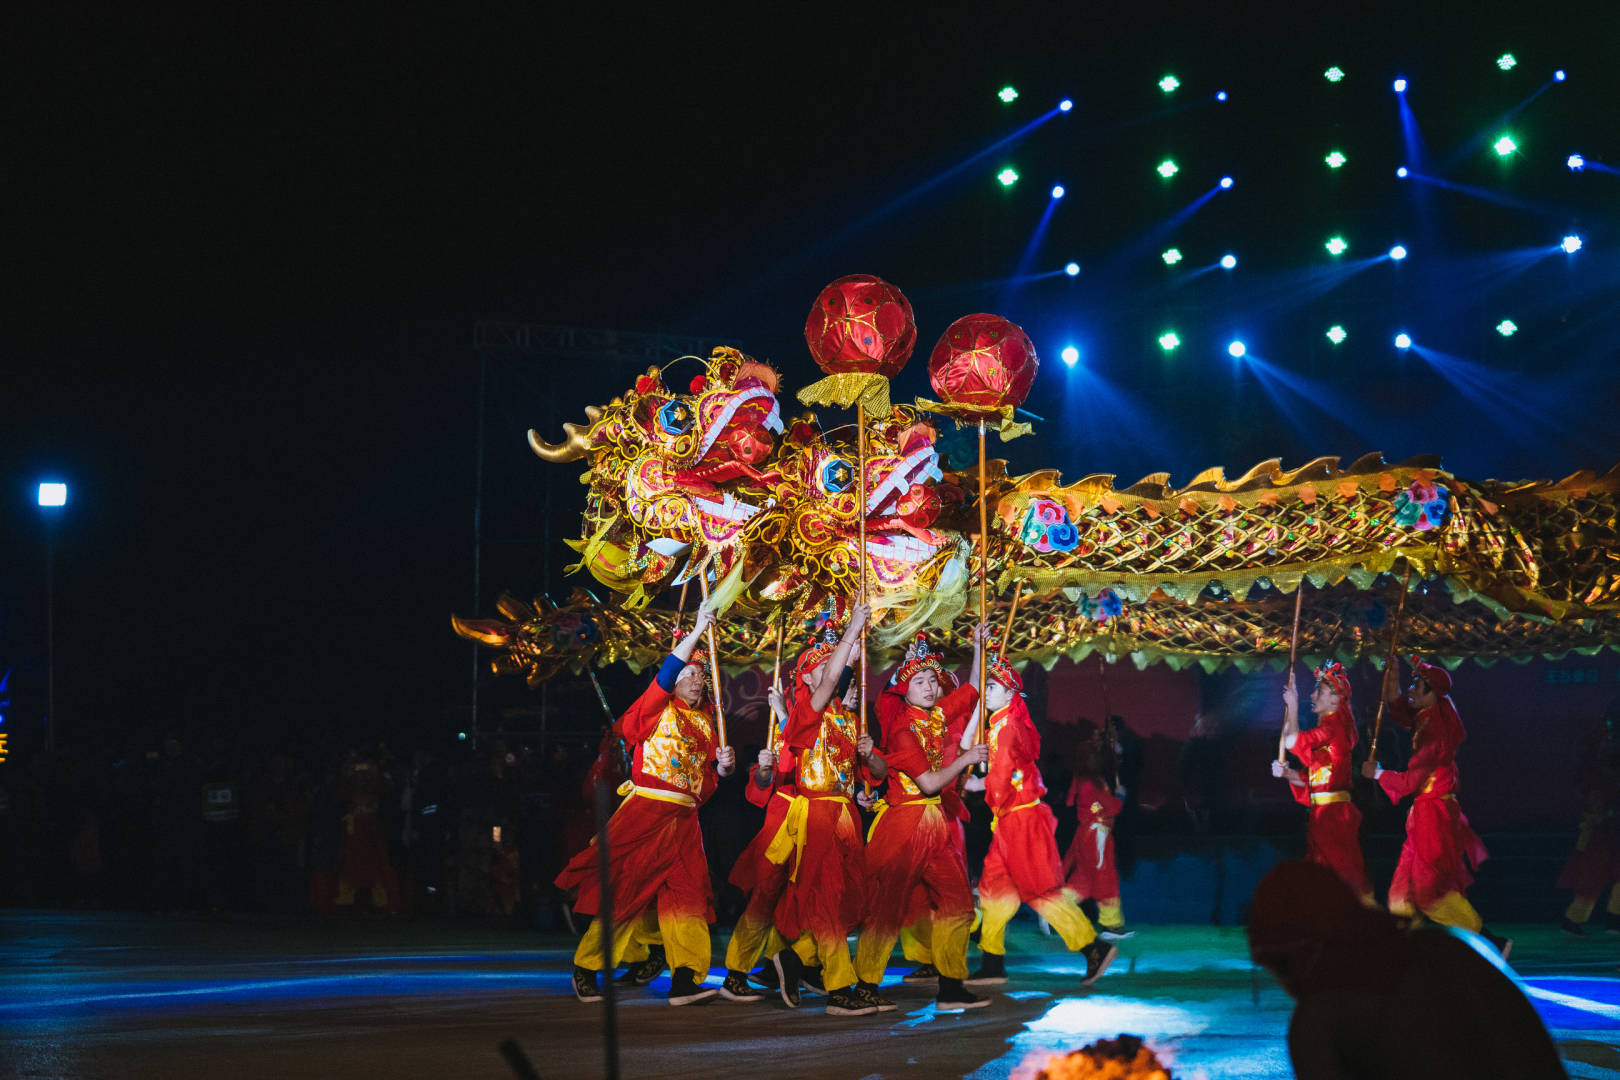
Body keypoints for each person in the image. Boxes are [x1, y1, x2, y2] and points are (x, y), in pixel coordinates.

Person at [557, 607, 736, 1006]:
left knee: (688, 896)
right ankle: (587, 966)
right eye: (687, 674)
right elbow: (664, 676)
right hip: (647, 813)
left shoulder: (708, 723)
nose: (695, 681)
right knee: (626, 893)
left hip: (685, 822)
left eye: (700, 675)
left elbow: (698, 787)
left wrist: (720, 773)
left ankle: (686, 979)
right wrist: (699, 630)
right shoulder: (655, 708)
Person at [1249, 860, 1565, 1080]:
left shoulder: (1322, 1019)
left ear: (1306, 951)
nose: (1286, 986)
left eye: (1281, 966)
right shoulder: (1447, 950)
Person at [853, 627, 991, 1012]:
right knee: (887, 908)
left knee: (959, 904)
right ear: (904, 690)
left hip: (933, 826)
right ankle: (864, 985)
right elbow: (929, 784)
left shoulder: (934, 717)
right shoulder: (901, 730)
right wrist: (964, 759)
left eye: (933, 680)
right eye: (919, 681)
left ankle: (950, 986)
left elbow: (973, 692)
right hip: (905, 824)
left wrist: (978, 645)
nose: (929, 687)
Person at [770, 603, 892, 1016]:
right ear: (806, 677)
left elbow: (875, 771)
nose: (835, 672)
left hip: (845, 815)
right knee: (824, 898)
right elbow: (826, 687)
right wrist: (853, 629)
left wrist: (871, 754)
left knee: (846, 900)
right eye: (824, 666)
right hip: (817, 815)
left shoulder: (846, 717)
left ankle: (797, 957)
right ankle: (840, 988)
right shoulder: (806, 709)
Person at [969, 646, 1117, 987]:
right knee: (993, 889)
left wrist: (981, 784)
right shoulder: (1002, 724)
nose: (986, 693)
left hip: (1021, 821)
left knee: (1040, 892)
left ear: (1009, 692)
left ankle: (1093, 948)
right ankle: (992, 961)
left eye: (991, 688)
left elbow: (1004, 776)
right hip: (1008, 822)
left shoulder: (1007, 729)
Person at [1360, 656, 1507, 954]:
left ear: (1432, 692)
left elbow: (1412, 781)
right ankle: (1403, 947)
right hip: (1423, 814)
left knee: (1429, 894)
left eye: (1417, 685)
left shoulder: (1434, 730)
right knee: (1401, 888)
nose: (1411, 690)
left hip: (1433, 816)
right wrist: (1393, 673)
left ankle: (1491, 941)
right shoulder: (1428, 713)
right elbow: (1395, 699)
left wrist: (1376, 773)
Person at [1273, 662, 1374, 905]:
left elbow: (1292, 741)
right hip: (1323, 815)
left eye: (1319, 691)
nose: (1312, 694)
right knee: (1322, 876)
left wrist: (1294, 704)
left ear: (1335, 700)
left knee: (1342, 875)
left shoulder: (1332, 728)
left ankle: (1364, 922)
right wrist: (1288, 775)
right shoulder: (1328, 730)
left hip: (1333, 818)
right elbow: (1315, 779)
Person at [1062, 718, 1131, 940]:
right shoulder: (1090, 784)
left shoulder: (1090, 780)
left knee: (1084, 879)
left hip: (1092, 834)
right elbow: (1104, 808)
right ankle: (1111, 925)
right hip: (1096, 835)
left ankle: (1056, 906)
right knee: (1104, 877)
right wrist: (1119, 797)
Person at [1556, 703, 1620, 935]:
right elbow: (1593, 780)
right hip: (1603, 822)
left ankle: (1612, 919)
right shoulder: (1601, 746)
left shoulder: (1602, 744)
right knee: (1593, 873)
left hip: (1607, 818)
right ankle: (1574, 919)